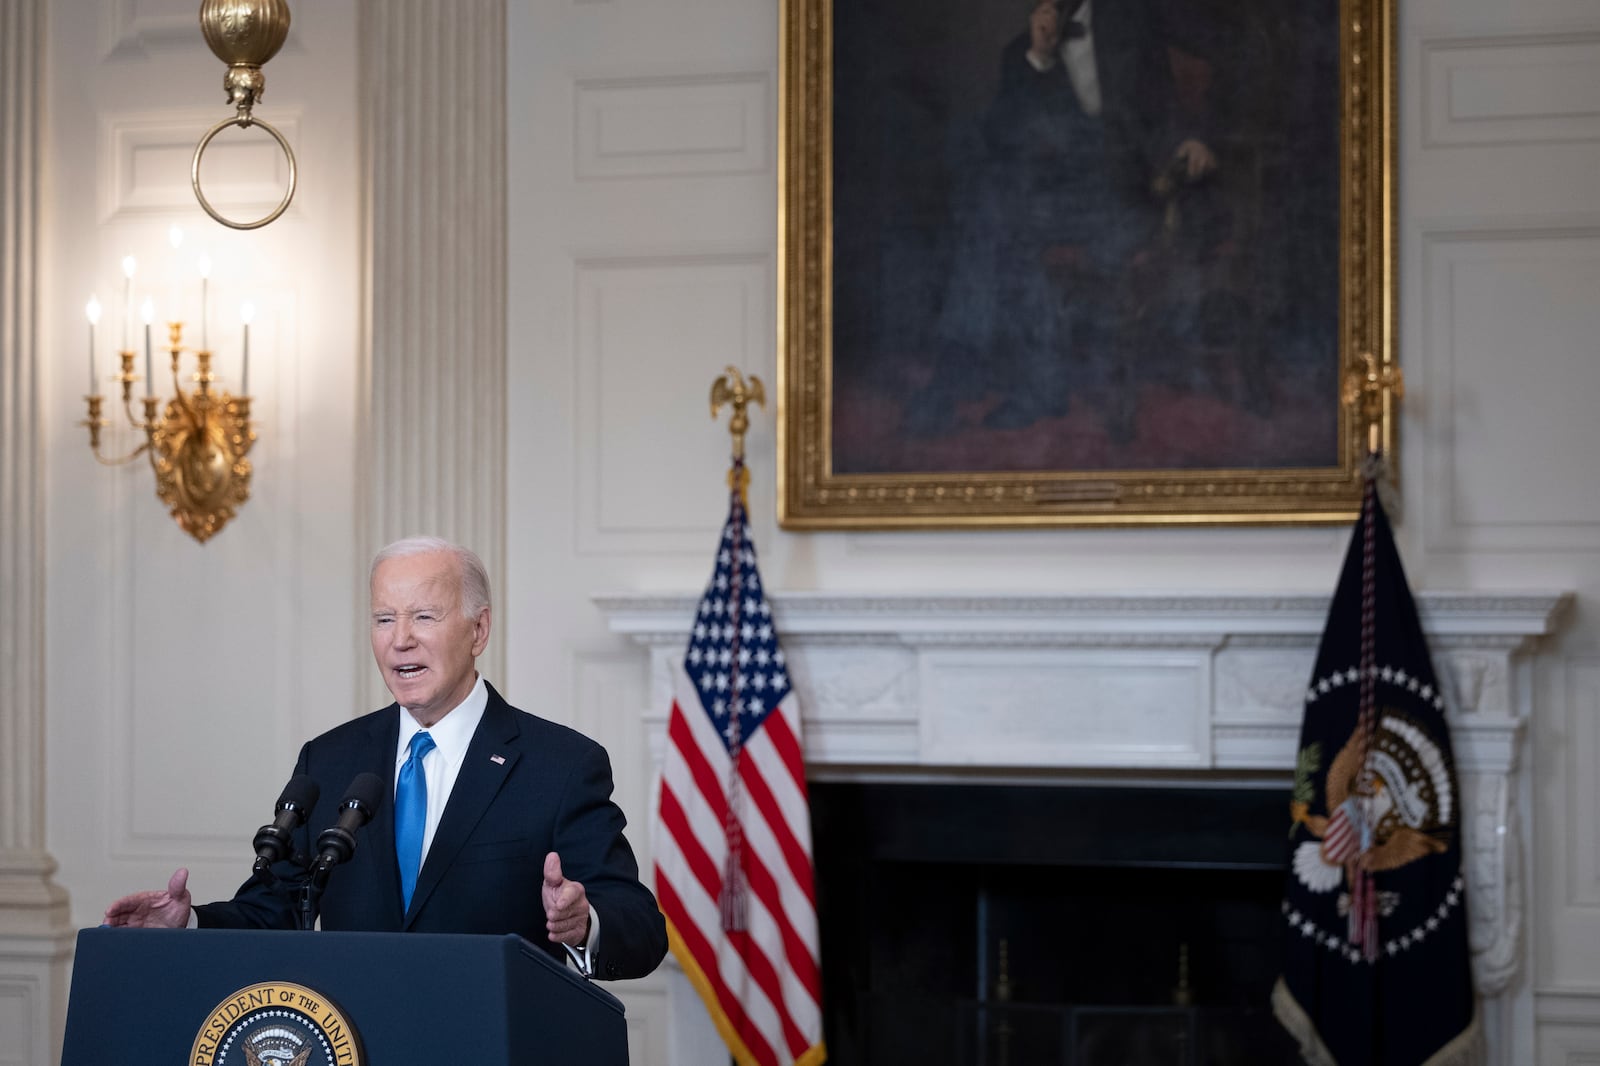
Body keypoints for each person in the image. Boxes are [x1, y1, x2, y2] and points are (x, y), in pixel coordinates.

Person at [104, 537, 668, 982]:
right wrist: (188, 924)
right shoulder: (328, 760)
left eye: (423, 617)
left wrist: (581, 924)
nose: (399, 640)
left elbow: (641, 927)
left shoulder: (561, 765)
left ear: (479, 630)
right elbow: (276, 908)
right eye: (383, 619)